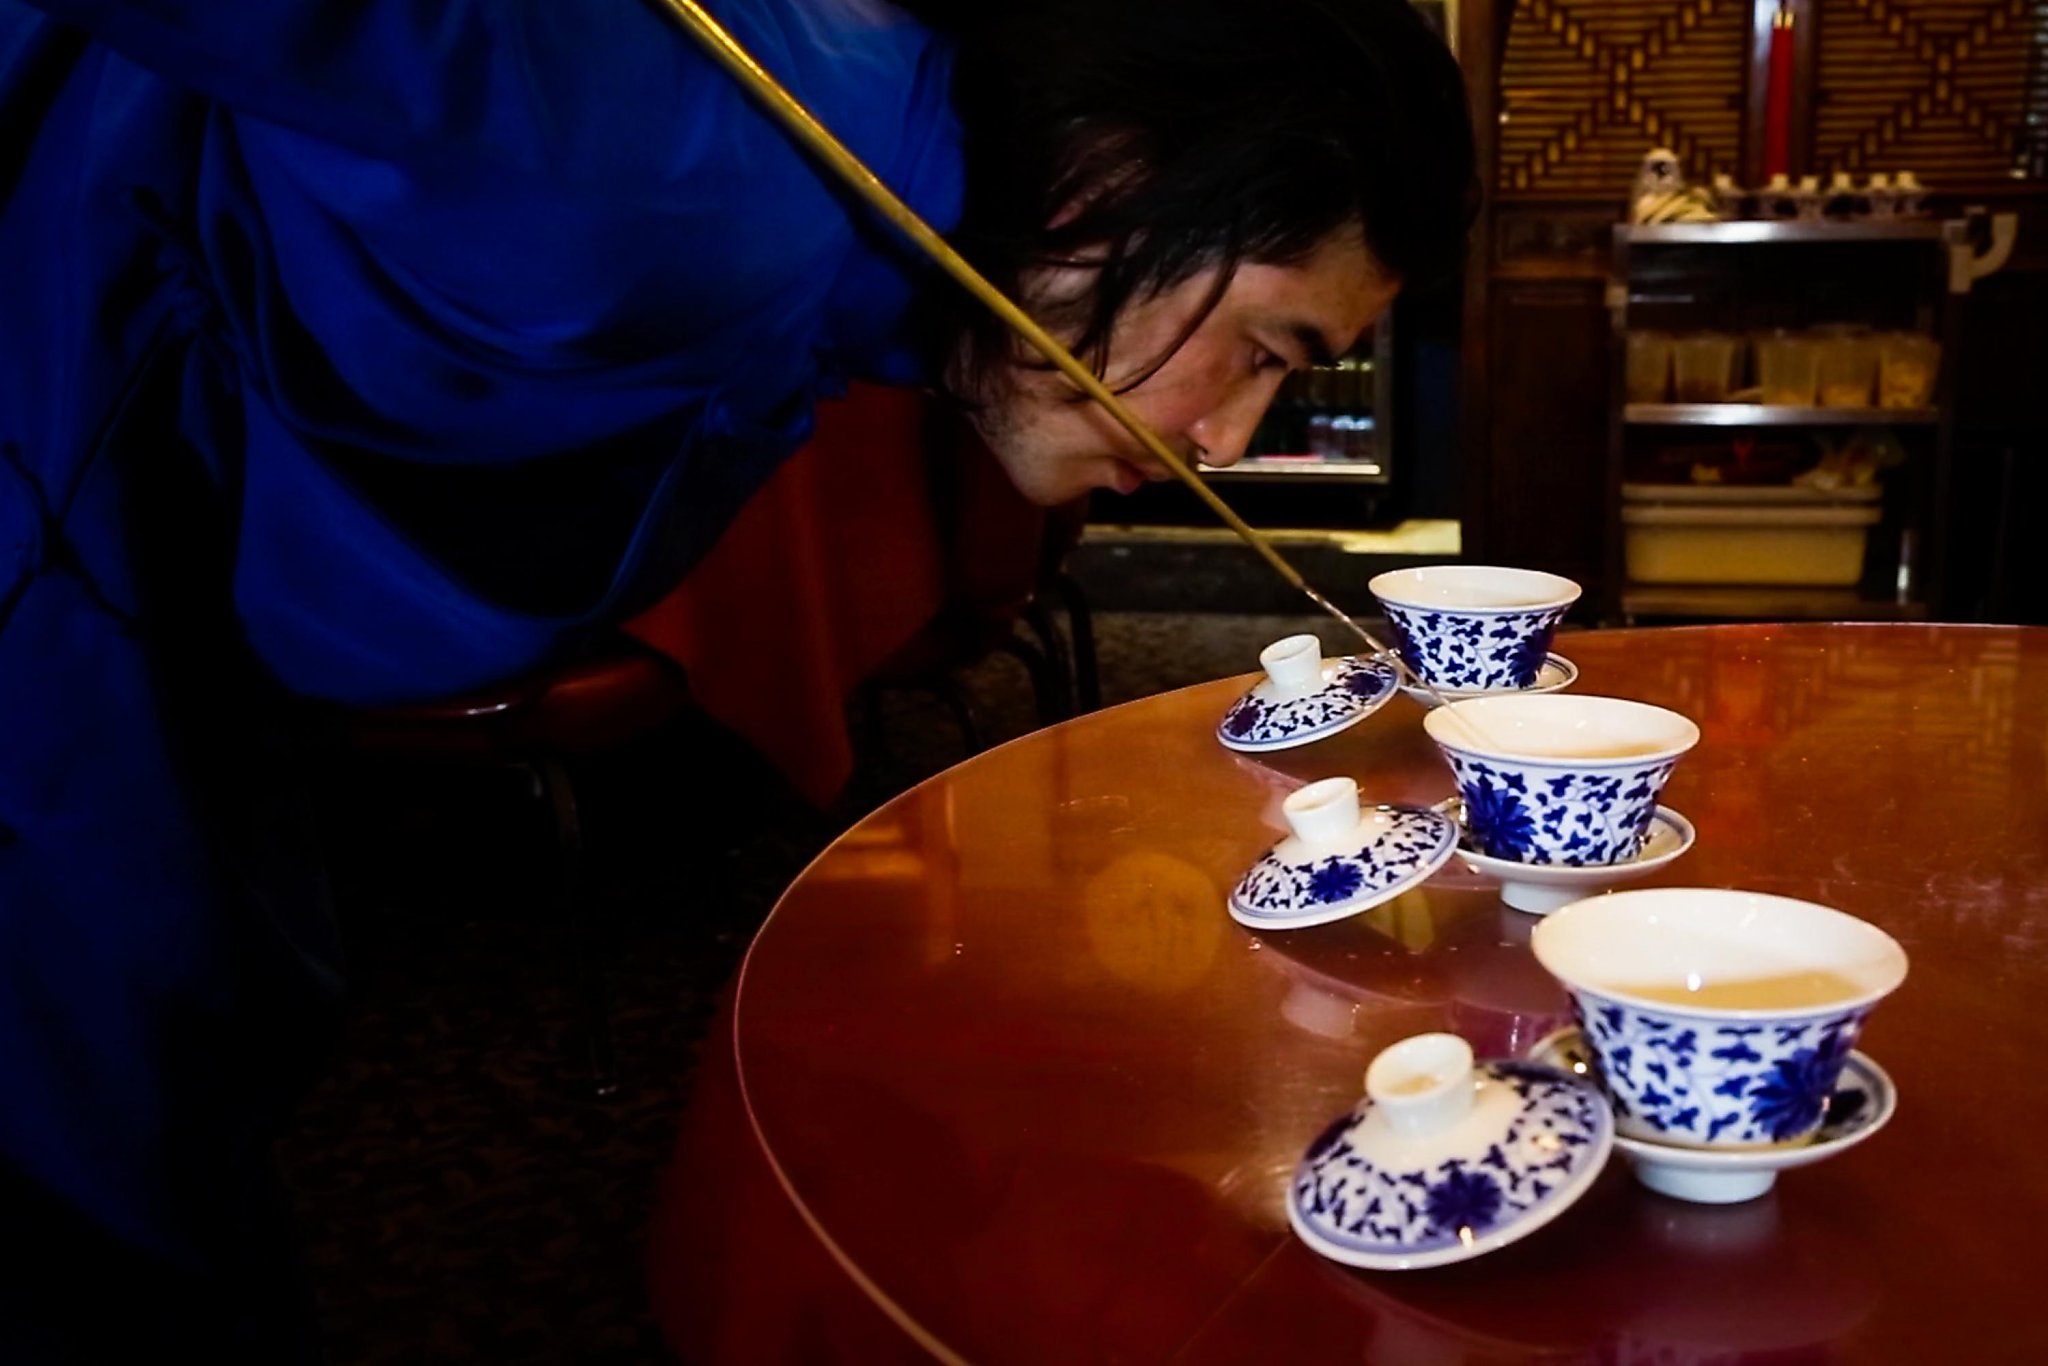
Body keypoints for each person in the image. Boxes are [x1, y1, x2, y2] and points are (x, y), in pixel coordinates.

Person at [0, 0, 1473, 1355]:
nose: (1226, 439)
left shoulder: (843, 231)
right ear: (1118, 167)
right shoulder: (710, 166)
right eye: (1267, 348)